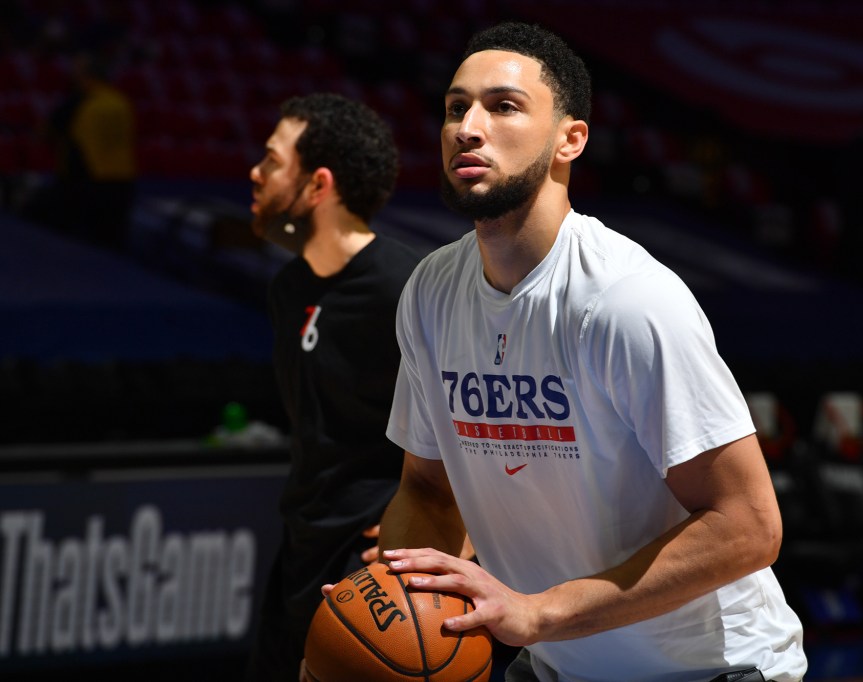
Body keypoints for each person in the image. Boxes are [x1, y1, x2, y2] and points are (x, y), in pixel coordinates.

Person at [343, 21, 808, 682]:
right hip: (558, 664)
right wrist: (388, 609)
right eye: (455, 107)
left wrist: (538, 613)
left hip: (712, 669)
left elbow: (749, 526)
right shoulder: (431, 293)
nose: (467, 128)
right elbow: (427, 488)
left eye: (502, 107)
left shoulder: (626, 301)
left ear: (571, 139)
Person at [244, 92, 422, 682]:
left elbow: (480, 428)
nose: (256, 172)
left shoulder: (409, 290)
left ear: (318, 185)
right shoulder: (286, 289)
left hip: (370, 563)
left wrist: (456, 530)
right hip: (299, 544)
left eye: (272, 161)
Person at [35, 49, 137, 251]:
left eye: (76, 70)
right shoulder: (121, 102)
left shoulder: (79, 102)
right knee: (112, 253)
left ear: (84, 75)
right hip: (123, 184)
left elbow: (44, 133)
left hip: (86, 185)